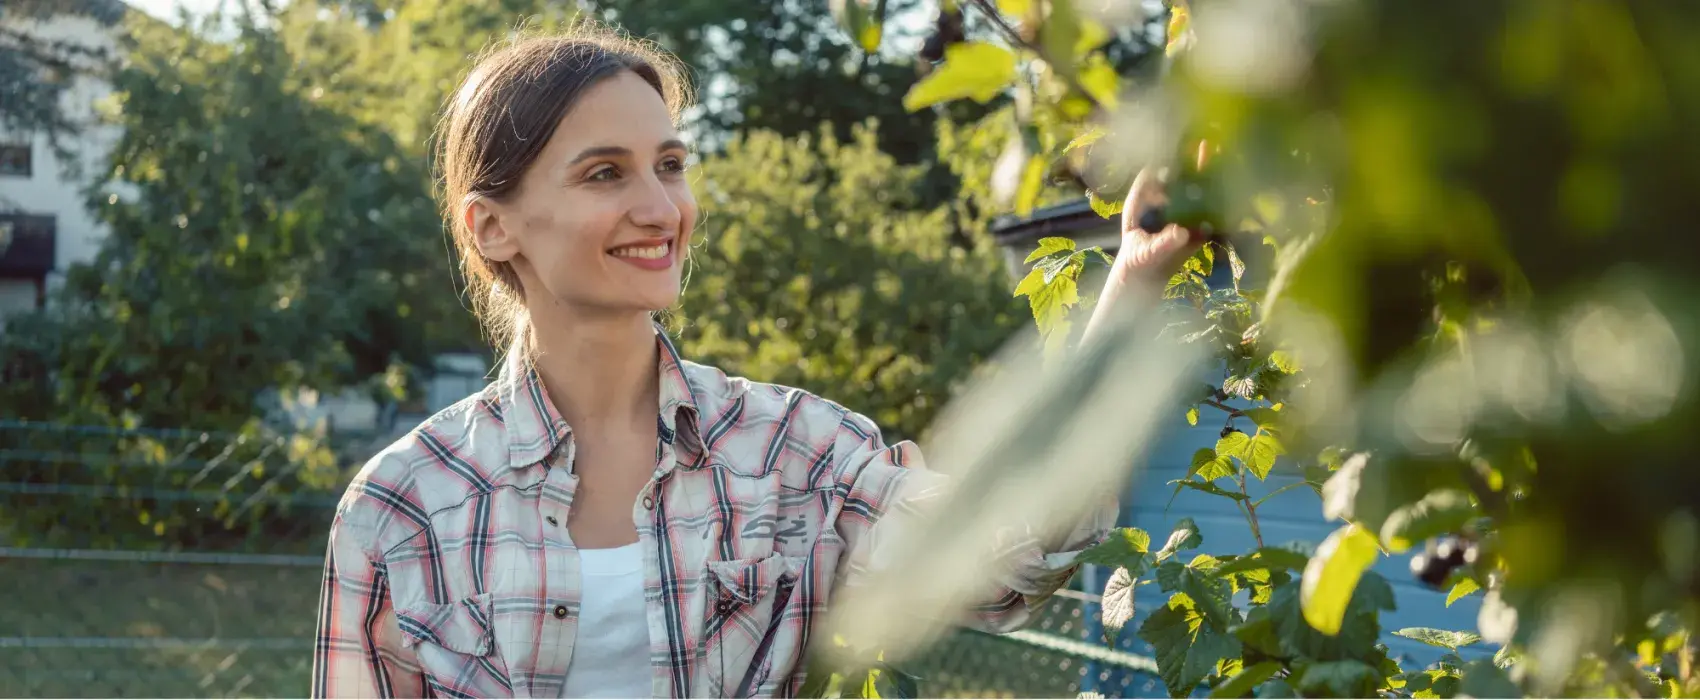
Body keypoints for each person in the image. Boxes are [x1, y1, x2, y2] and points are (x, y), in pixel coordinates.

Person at [311, 20, 1204, 700]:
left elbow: (1010, 553)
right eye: (604, 174)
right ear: (491, 225)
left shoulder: (793, 451)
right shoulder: (403, 507)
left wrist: (1131, 285)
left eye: (670, 164)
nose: (662, 208)